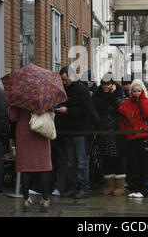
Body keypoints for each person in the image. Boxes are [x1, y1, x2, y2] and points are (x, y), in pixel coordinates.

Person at [57, 67, 98, 199]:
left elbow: (87, 110)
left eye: (65, 79)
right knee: (70, 162)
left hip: (80, 131)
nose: (64, 82)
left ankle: (83, 189)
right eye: (62, 80)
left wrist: (68, 111)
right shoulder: (64, 89)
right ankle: (73, 188)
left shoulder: (81, 89)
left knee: (81, 162)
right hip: (68, 131)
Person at [9, 106, 52, 212]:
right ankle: (45, 200)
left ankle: (26, 200)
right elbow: (51, 112)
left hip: (24, 130)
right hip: (41, 128)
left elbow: (13, 117)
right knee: (43, 167)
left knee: (25, 167)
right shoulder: (44, 93)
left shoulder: (18, 95)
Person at [118, 79, 148, 198]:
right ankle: (133, 187)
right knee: (132, 164)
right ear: (131, 92)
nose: (137, 93)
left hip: (142, 137)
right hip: (130, 138)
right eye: (134, 91)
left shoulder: (146, 102)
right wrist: (126, 133)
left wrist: (142, 100)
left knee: (143, 164)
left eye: (139, 91)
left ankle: (143, 189)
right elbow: (122, 121)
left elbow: (147, 115)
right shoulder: (127, 103)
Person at [92, 73, 126, 196]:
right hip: (103, 132)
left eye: (108, 84)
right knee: (106, 158)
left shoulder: (119, 93)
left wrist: (113, 94)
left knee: (116, 158)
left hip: (116, 132)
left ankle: (120, 186)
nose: (106, 86)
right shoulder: (97, 95)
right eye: (104, 84)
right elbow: (94, 110)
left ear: (113, 84)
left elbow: (121, 108)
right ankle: (110, 185)